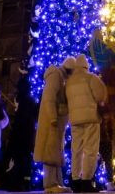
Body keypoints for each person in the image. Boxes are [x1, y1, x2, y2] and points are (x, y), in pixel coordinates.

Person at [65, 53, 107, 193]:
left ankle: (75, 180)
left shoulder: (69, 81)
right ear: (86, 65)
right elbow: (101, 95)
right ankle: (86, 181)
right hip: (90, 118)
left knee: (76, 150)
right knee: (90, 150)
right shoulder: (90, 78)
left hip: (75, 120)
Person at [34, 57, 75, 193]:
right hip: (52, 121)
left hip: (57, 121)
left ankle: (57, 182)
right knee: (50, 151)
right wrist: (52, 117)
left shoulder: (60, 77)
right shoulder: (56, 76)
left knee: (56, 151)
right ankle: (50, 184)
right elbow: (49, 98)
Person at [4, 76, 38, 191]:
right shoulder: (30, 101)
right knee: (25, 160)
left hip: (19, 135)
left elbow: (19, 120)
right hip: (27, 136)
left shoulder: (21, 100)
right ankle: (25, 183)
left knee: (18, 159)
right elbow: (34, 116)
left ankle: (17, 182)